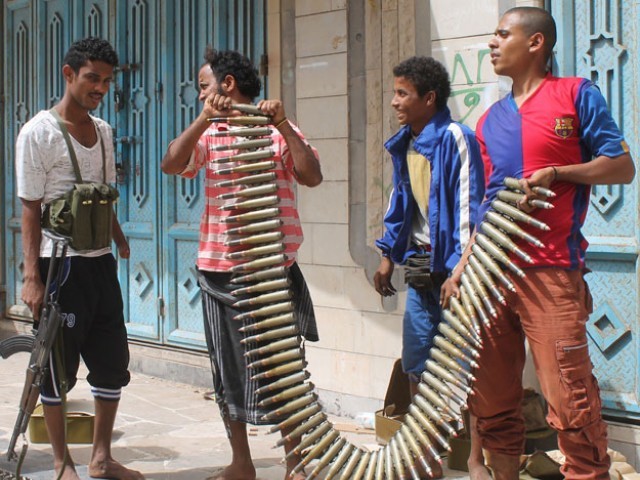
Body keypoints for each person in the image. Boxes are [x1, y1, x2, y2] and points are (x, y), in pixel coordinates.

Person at [441, 7, 635, 479]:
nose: (492, 43)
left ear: (535, 44)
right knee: (492, 401)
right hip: (490, 273)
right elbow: (490, 204)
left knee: (571, 400)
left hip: (551, 271)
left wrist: (560, 172)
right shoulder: (489, 121)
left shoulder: (575, 95)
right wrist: (462, 267)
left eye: (502, 34)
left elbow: (622, 166)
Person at [161, 47, 322, 480]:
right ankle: (242, 463)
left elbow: (311, 175)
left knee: (284, 368)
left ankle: (296, 463)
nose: (199, 96)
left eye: (203, 87)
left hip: (272, 270)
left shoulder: (275, 133)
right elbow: (172, 163)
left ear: (227, 85)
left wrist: (284, 125)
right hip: (220, 269)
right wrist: (203, 121)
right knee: (226, 369)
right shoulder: (210, 136)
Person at [15, 37, 143, 480]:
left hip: (100, 262)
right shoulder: (38, 132)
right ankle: (60, 461)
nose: (101, 88)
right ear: (68, 74)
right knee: (56, 366)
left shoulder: (104, 131)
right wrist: (32, 276)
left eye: (107, 80)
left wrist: (120, 239)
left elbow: (102, 198)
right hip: (59, 263)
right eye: (93, 78)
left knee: (111, 361)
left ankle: (101, 458)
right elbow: (31, 206)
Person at [372, 56, 485, 478]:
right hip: (421, 272)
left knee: (466, 366)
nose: (395, 101)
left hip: (458, 274)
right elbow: (400, 204)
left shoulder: (456, 138)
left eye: (403, 93)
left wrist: (459, 272)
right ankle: (427, 458)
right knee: (417, 363)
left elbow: (468, 210)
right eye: (395, 92)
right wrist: (387, 255)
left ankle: (474, 460)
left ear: (429, 98)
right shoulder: (405, 142)